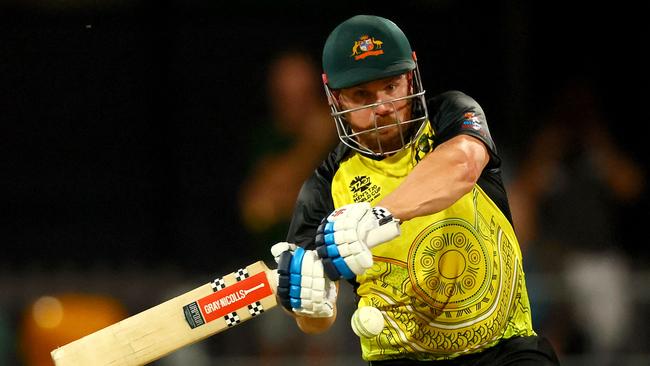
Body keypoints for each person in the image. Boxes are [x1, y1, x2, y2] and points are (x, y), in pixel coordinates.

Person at [270, 14, 560, 365]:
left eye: (391, 87)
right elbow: (316, 320)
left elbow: (462, 165)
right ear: (336, 98)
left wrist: (376, 216)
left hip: (505, 347)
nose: (382, 108)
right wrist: (310, 302)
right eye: (362, 94)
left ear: (411, 78)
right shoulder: (324, 187)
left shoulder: (451, 116)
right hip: (401, 356)